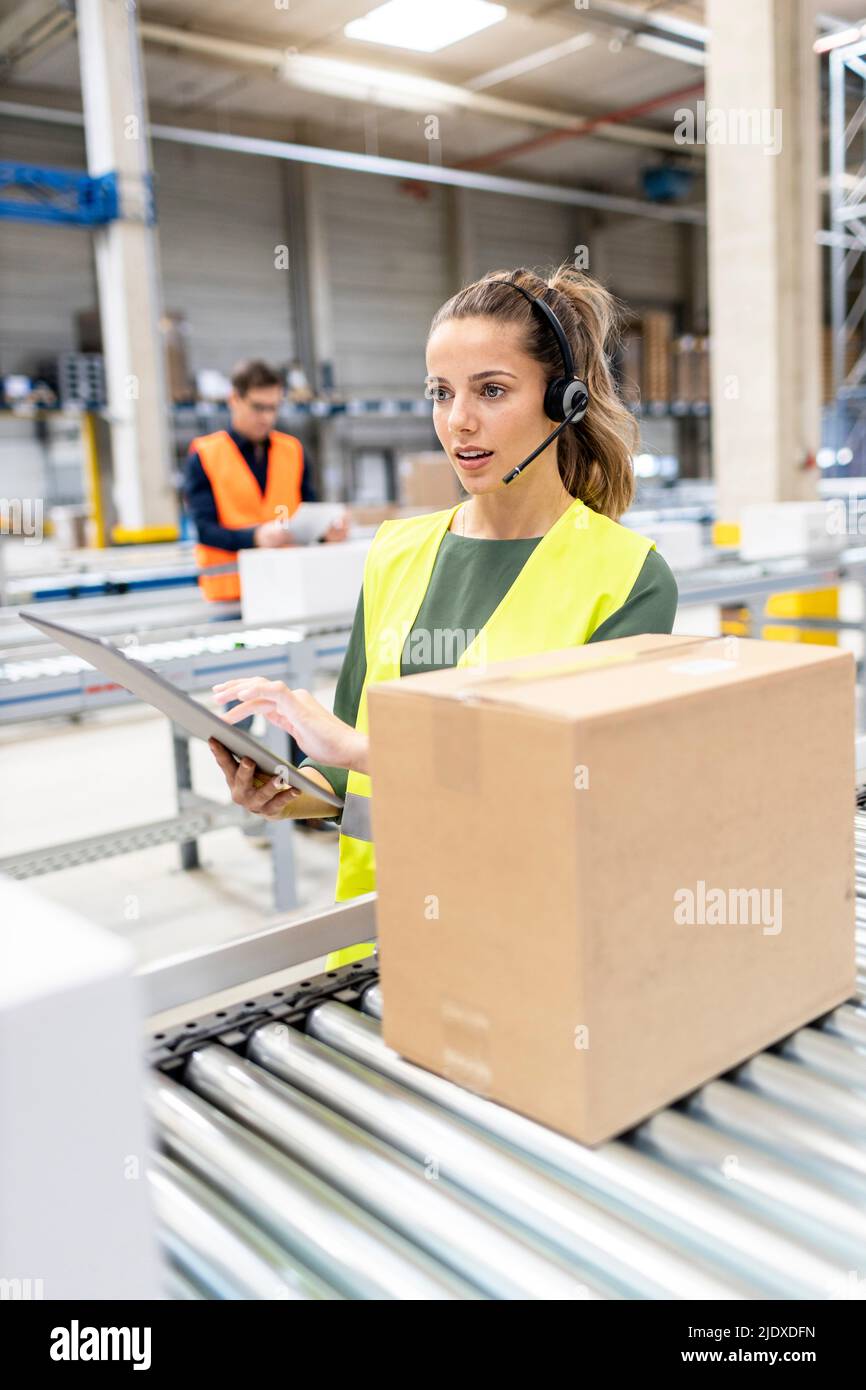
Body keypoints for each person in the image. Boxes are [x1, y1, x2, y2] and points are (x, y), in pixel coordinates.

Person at [207, 266, 678, 964]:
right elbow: (348, 788)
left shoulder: (626, 578)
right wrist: (286, 792)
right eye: (440, 392)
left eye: (491, 390)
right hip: (380, 940)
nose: (458, 421)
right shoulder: (397, 552)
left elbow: (579, 793)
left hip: (526, 945)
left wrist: (359, 750)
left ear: (563, 401)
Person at [184, 358, 348, 606]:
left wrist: (326, 533)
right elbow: (205, 530)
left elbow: (307, 515)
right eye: (258, 407)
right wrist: (256, 538)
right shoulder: (205, 454)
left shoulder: (292, 450)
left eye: (274, 408)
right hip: (230, 595)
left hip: (287, 589)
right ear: (234, 400)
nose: (267, 417)